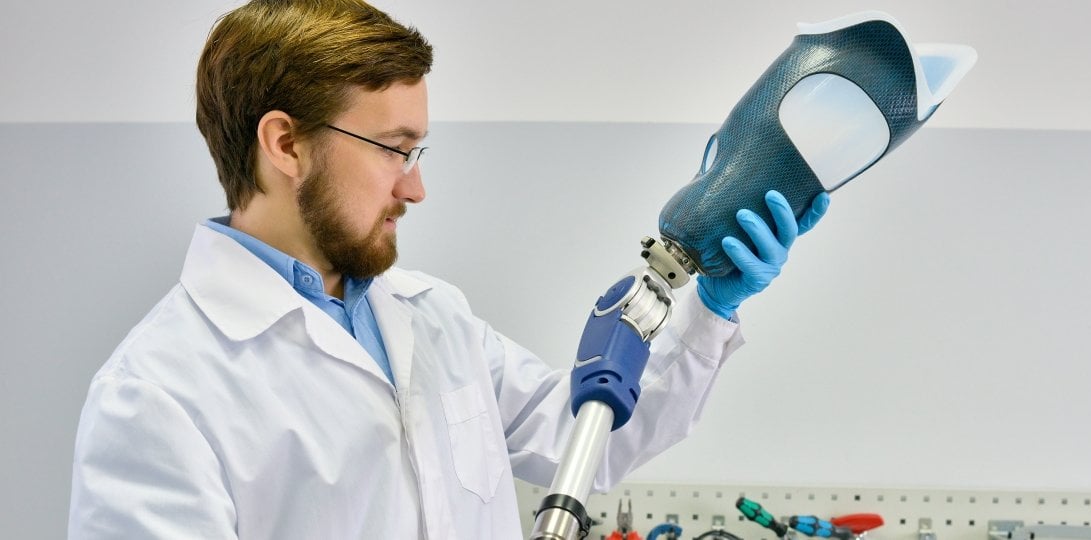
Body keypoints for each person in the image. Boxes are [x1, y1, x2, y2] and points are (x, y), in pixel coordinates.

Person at [67, 1, 829, 538]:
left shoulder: (431, 317)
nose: (415, 186)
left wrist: (710, 314)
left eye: (418, 151)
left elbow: (590, 444)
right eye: (394, 149)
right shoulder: (158, 395)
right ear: (286, 144)